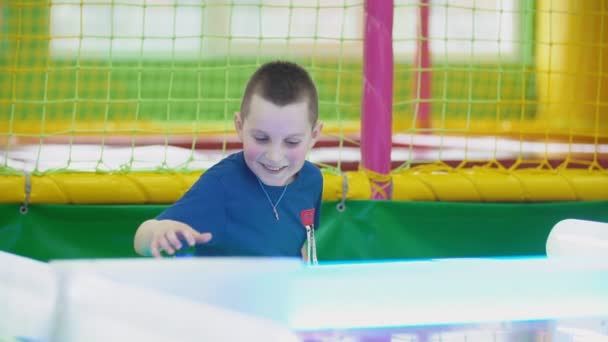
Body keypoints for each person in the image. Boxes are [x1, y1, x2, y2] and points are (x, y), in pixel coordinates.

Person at [133, 61, 323, 261]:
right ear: (240, 126)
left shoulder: (311, 179)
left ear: (314, 134)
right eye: (261, 138)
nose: (275, 156)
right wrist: (158, 231)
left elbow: (297, 243)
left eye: (292, 142)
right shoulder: (222, 186)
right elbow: (141, 239)